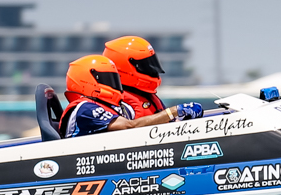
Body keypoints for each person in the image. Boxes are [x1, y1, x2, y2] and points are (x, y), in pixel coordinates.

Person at [49, 54, 204, 138]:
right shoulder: (84, 108)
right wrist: (173, 111)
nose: (114, 84)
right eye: (107, 78)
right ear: (86, 81)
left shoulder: (111, 106)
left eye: (114, 78)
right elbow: (130, 126)